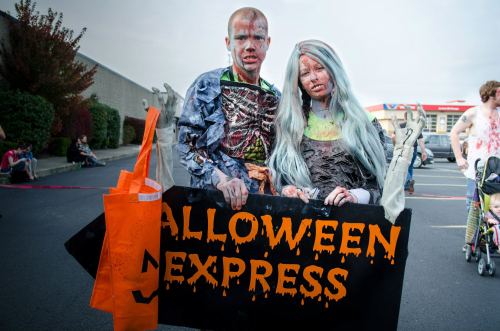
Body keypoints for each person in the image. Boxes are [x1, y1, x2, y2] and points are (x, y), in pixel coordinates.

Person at [177, 7, 280, 210]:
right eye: (241, 38)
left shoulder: (276, 97)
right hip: (213, 207)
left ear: (267, 43)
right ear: (228, 43)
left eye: (258, 38)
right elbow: (187, 146)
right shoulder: (207, 87)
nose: (250, 46)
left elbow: (282, 155)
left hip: (264, 208)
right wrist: (220, 179)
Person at [268, 40, 387, 206]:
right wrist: (287, 189)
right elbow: (277, 179)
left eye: (319, 68)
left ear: (333, 70)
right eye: (305, 73)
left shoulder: (364, 123)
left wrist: (354, 196)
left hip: (352, 226)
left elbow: (383, 183)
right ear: (298, 81)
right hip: (303, 226)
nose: (314, 78)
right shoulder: (290, 127)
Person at [450, 80, 500, 250]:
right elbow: (454, 133)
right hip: (477, 169)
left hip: (497, 168)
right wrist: (459, 158)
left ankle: (493, 238)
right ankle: (472, 239)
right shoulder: (473, 113)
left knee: (496, 205)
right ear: (491, 93)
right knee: (474, 206)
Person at [399, 111, 427, 193]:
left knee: (403, 167)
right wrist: (423, 152)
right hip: (414, 149)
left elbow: (395, 137)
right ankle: (409, 187)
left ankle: (409, 181)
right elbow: (421, 140)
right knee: (410, 167)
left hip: (404, 149)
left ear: (404, 117)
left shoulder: (400, 126)